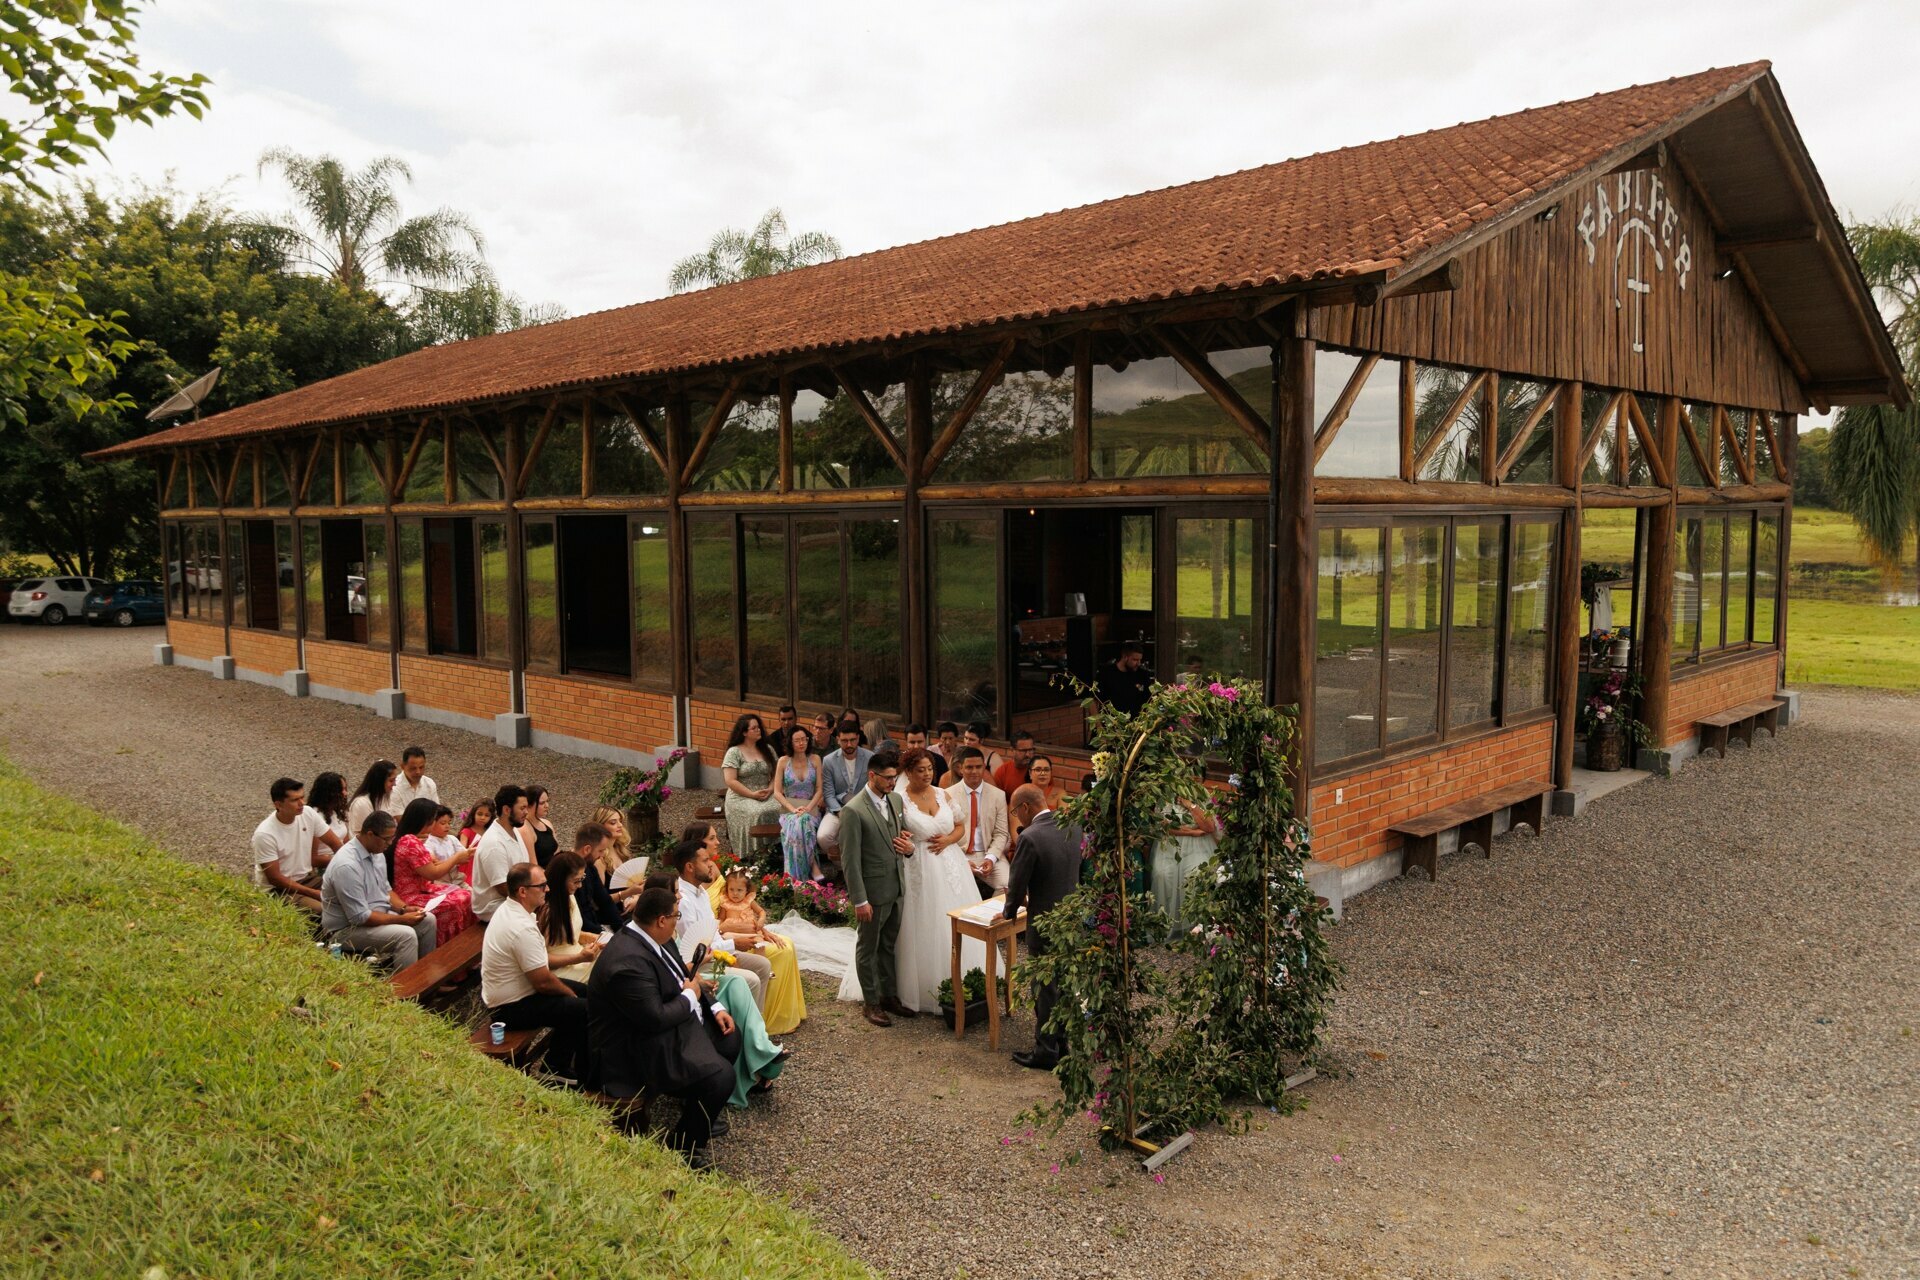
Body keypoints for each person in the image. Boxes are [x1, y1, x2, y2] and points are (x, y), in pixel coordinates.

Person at [587, 886, 741, 1169]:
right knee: (721, 1077)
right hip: (632, 1047)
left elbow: (686, 975)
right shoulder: (627, 962)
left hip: (663, 1024)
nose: (677, 920)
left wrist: (714, 1006)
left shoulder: (657, 936)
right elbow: (654, 1018)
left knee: (729, 1038)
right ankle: (683, 1146)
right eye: (675, 915)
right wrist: (689, 996)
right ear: (660, 919)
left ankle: (698, 1105)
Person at [650, 863, 791, 1106]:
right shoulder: (661, 927)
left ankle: (760, 1046)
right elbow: (670, 969)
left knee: (740, 982)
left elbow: (691, 951)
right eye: (675, 892)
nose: (680, 896)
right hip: (685, 988)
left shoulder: (679, 913)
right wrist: (698, 977)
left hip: (697, 975)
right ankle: (760, 1054)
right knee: (742, 981)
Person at [481, 862, 593, 1087]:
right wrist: (569, 995)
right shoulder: (520, 926)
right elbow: (543, 982)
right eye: (542, 886)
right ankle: (560, 1069)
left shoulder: (516, 910)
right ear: (523, 891)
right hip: (510, 1006)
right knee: (584, 1008)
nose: (548, 889)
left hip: (521, 990)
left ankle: (561, 1062)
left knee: (590, 994)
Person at [1004, 784, 1082, 1070]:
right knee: (1063, 984)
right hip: (1071, 919)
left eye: (1015, 811)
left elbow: (1017, 882)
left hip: (1045, 921)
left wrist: (1009, 911)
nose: (1017, 817)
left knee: (1045, 988)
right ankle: (1062, 1042)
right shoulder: (1072, 825)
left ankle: (1046, 1050)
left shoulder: (1031, 837)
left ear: (1025, 807)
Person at [833, 751, 913, 1026]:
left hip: (897, 886)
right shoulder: (853, 810)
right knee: (868, 947)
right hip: (872, 892)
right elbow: (850, 860)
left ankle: (889, 995)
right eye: (889, 778)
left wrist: (908, 847)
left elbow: (898, 838)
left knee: (888, 945)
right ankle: (871, 1003)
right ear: (872, 776)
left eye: (895, 777)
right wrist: (859, 900)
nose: (893, 782)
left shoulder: (896, 799)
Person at [667, 833, 772, 1011]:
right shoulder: (683, 900)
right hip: (700, 963)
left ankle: (756, 1026)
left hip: (717, 949)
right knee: (751, 979)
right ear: (690, 867)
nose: (711, 865)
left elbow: (712, 932)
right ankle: (746, 1033)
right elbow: (697, 950)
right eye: (706, 861)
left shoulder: (700, 891)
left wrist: (732, 940)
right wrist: (733, 944)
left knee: (763, 965)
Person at [320, 811, 436, 969]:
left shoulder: (377, 853)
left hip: (378, 915)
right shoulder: (347, 865)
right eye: (387, 839)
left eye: (392, 837)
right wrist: (402, 920)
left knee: (428, 920)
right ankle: (407, 991)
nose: (390, 843)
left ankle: (426, 977)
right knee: (405, 936)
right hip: (345, 930)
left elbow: (387, 890)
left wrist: (404, 908)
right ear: (370, 834)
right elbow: (360, 917)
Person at [390, 798, 476, 946]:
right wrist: (456, 858)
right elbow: (433, 873)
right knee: (455, 902)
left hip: (423, 888)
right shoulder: (409, 841)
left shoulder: (412, 838)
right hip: (411, 895)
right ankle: (449, 948)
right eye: (432, 822)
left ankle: (464, 946)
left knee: (466, 896)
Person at [251, 777, 330, 915]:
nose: (301, 803)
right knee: (321, 910)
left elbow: (336, 844)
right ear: (278, 804)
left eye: (302, 797)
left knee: (348, 892)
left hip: (307, 878)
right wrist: (313, 893)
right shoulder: (265, 834)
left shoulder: (308, 813)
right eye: (294, 800)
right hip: (278, 890)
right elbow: (275, 878)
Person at [946, 746, 1010, 894]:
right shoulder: (947, 795)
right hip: (959, 854)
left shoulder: (998, 795)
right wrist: (963, 861)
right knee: (953, 889)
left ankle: (993, 916)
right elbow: (947, 834)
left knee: (1008, 886)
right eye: (969, 767)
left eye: (978, 767)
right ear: (960, 769)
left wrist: (991, 858)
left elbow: (1001, 833)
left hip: (989, 853)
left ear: (984, 768)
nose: (974, 771)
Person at [1150, 796, 1220, 930]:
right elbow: (1163, 827)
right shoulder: (1164, 799)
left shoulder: (1201, 797)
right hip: (1169, 847)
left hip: (1197, 848)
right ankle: (1167, 923)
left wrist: (1190, 806)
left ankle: (1194, 925)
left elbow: (1209, 827)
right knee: (1162, 875)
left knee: (1196, 874)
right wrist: (1192, 832)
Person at [542, 850, 607, 983]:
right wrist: (579, 958)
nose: (580, 885)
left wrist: (595, 938)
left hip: (579, 955)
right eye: (576, 881)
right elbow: (539, 958)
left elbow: (570, 933)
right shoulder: (546, 911)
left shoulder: (570, 897)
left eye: (582, 879)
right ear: (560, 880)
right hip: (561, 969)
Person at [720, 714, 779, 860]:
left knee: (781, 809)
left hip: (767, 792)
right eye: (754, 728)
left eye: (759, 727)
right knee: (757, 812)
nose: (759, 730)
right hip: (741, 795)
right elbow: (730, 780)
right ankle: (753, 854)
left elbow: (777, 773)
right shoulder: (734, 752)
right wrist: (752, 794)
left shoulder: (768, 749)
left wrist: (771, 788)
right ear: (744, 732)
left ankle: (776, 849)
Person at [815, 720, 872, 870]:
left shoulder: (870, 757)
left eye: (852, 740)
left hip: (864, 809)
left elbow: (873, 789)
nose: (849, 745)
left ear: (858, 738)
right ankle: (844, 869)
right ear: (838, 739)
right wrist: (840, 812)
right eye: (844, 741)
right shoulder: (828, 760)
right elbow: (828, 793)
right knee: (823, 837)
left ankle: (861, 869)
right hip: (838, 809)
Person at [772, 724, 823, 881]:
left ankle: (793, 877)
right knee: (799, 822)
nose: (801, 743)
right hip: (789, 809)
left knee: (803, 820)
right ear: (790, 743)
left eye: (804, 739)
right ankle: (812, 865)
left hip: (811, 807)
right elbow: (777, 792)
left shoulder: (815, 759)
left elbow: (820, 789)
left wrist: (807, 808)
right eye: (797, 740)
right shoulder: (783, 761)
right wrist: (792, 809)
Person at [472, 784, 530, 921]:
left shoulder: (513, 830)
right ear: (506, 810)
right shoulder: (494, 843)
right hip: (493, 907)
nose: (526, 812)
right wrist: (533, 899)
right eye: (522, 808)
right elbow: (503, 888)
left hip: (515, 896)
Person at [587, 806, 649, 906]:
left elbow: (633, 885)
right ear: (600, 827)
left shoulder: (621, 850)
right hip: (612, 913)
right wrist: (627, 893)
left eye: (620, 821)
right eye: (613, 822)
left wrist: (636, 897)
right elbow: (597, 901)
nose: (620, 825)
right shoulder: (599, 860)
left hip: (629, 905)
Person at [571, 819, 625, 934]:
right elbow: (576, 914)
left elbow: (605, 901)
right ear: (587, 849)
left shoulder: (590, 867)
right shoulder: (567, 871)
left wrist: (621, 929)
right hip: (580, 930)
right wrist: (600, 932)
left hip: (595, 924)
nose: (601, 856)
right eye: (600, 851)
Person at [1014, 754, 1069, 840]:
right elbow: (1017, 835)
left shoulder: (1060, 794)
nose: (1043, 773)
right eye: (1038, 770)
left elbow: (1064, 825)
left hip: (1054, 840)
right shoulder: (1020, 795)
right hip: (1029, 842)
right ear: (1030, 773)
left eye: (1046, 770)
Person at [345, 761, 398, 844]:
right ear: (379, 781)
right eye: (391, 781)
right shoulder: (362, 803)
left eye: (395, 780)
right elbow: (362, 836)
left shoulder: (386, 797)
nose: (395, 784)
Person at [1096, 642, 1153, 716]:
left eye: (1140, 660)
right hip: (1112, 722)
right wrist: (1098, 725)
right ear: (1125, 657)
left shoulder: (1142, 674)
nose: (1139, 663)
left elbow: (1150, 699)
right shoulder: (1106, 674)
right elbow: (1093, 700)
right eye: (1135, 660)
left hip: (1137, 723)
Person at [307, 771, 351, 857]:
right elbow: (313, 859)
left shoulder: (337, 812)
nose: (346, 793)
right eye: (341, 790)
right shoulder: (314, 816)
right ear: (329, 793)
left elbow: (346, 842)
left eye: (345, 789)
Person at [520, 784, 559, 867]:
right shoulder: (525, 829)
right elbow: (533, 864)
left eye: (547, 801)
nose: (547, 806)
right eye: (542, 803)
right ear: (529, 805)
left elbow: (557, 853)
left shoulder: (547, 823)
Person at [389, 745, 438, 812]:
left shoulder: (429, 784)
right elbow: (400, 820)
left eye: (421, 767)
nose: (418, 772)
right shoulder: (394, 788)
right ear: (403, 766)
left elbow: (437, 812)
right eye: (413, 768)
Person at [992, 729, 1035, 795]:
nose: (1028, 754)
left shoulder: (1041, 769)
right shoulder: (1002, 772)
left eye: (1030, 750)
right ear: (1012, 750)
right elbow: (996, 800)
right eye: (1023, 751)